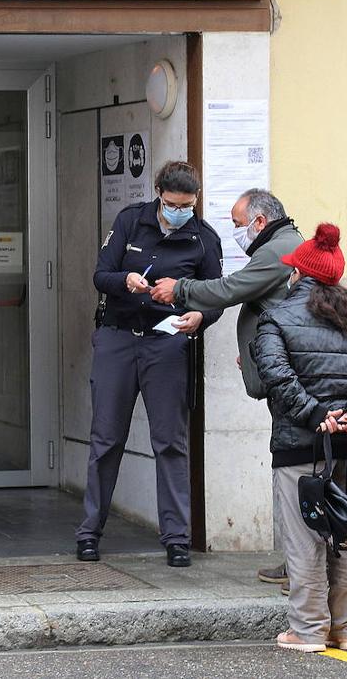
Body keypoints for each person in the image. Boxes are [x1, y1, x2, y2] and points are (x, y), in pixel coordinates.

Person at [250, 223, 347, 652]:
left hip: (300, 447)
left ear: (297, 274)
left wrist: (317, 414)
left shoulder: (276, 318)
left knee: (305, 541)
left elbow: (276, 376)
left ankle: (309, 630)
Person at [149, 188, 303, 589]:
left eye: (238, 224)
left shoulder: (278, 250)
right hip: (284, 370)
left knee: (294, 472)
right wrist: (254, 353)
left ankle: (303, 569)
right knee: (296, 470)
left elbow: (231, 289)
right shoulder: (284, 243)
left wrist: (180, 289)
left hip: (291, 379)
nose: (235, 232)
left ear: (260, 222)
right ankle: (299, 563)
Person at [76, 161, 223, 568]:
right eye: (173, 204)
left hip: (168, 344)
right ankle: (89, 533)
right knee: (106, 439)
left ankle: (177, 538)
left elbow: (215, 296)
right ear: (158, 192)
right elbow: (100, 275)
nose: (179, 212)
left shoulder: (204, 238)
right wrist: (125, 281)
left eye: (187, 205)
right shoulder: (129, 221)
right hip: (119, 337)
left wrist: (200, 316)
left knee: (170, 442)